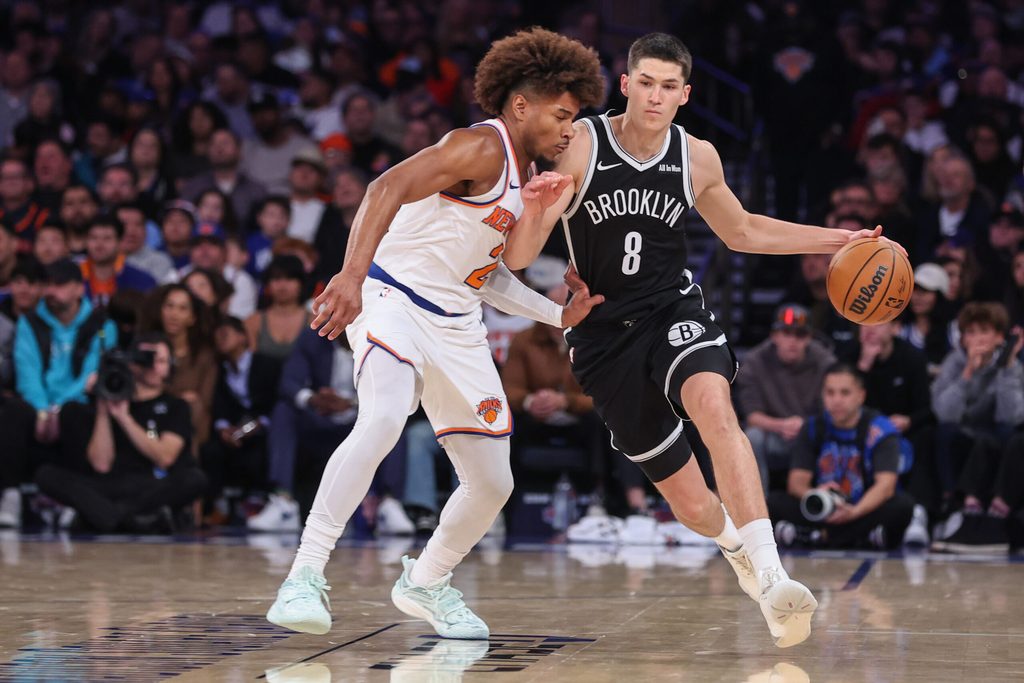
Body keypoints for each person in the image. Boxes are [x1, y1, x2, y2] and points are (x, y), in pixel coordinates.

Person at [509, 33, 906, 648]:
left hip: (673, 310)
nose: (656, 96)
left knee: (716, 408)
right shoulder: (581, 145)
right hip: (602, 339)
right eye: (646, 82)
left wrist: (840, 240)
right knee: (693, 506)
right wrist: (534, 210)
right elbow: (519, 254)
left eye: (670, 86)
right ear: (626, 84)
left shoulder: (697, 157)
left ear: (686, 94)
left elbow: (743, 231)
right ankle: (735, 550)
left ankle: (773, 576)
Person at [266, 28, 605, 639]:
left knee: (493, 481)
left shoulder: (522, 176)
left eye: (575, 118)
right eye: (561, 115)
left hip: (456, 323)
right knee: (384, 418)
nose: (567, 130)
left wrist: (557, 315)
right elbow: (384, 187)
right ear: (521, 105)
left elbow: (485, 274)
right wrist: (350, 275)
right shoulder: (479, 145)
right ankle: (303, 575)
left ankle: (426, 581)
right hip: (392, 297)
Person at [34, 333, 207, 533]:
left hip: (150, 486)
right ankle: (133, 519)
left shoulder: (175, 406)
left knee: (195, 478)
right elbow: (101, 464)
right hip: (107, 486)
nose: (153, 366)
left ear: (169, 366)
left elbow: (164, 457)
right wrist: (105, 410)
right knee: (46, 474)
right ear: (133, 362)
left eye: (160, 360)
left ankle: (108, 516)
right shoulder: (109, 398)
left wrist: (125, 419)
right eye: (146, 359)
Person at [766, 364, 916, 549]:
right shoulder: (813, 427)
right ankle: (857, 538)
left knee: (902, 506)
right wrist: (816, 495)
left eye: (845, 393)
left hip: (863, 508)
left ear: (861, 396)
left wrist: (854, 512)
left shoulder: (881, 429)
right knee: (773, 502)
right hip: (823, 508)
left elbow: (886, 486)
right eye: (830, 393)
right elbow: (796, 483)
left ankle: (818, 537)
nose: (836, 400)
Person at [736, 303, 836, 492]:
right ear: (774, 336)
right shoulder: (755, 362)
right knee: (752, 437)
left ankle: (829, 501)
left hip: (815, 434)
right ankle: (758, 509)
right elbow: (752, 416)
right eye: (786, 333)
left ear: (809, 338)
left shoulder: (825, 363)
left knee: (838, 432)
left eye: (800, 334)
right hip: (775, 436)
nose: (792, 341)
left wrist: (806, 425)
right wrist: (782, 425)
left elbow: (835, 410)